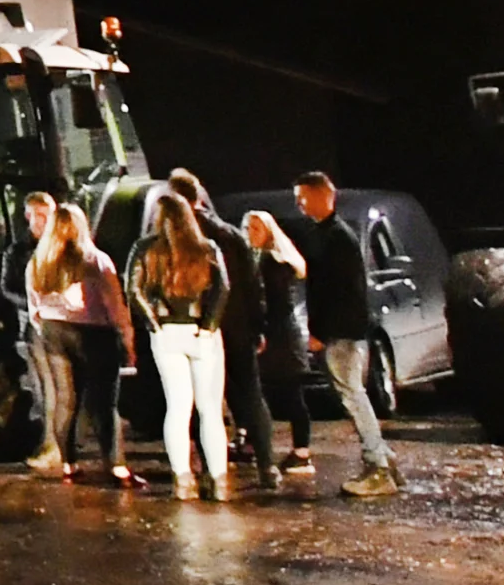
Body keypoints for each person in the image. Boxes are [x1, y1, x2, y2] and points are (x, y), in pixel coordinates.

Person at [290, 173, 399, 498]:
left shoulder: (337, 238)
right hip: (341, 333)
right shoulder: (328, 235)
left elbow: (339, 293)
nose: (299, 205)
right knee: (352, 396)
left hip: (342, 336)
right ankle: (384, 459)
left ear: (322, 195)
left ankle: (378, 466)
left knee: (353, 397)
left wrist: (322, 333)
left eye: (303, 197)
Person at [168, 169, 278, 486]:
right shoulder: (230, 234)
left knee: (202, 400)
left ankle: (209, 468)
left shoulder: (178, 239)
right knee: (251, 395)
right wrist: (258, 326)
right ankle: (267, 464)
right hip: (238, 326)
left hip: (200, 328)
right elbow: (253, 286)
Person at [131, 189, 233, 499]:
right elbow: (223, 288)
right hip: (202, 331)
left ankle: (183, 479)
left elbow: (133, 291)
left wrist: (154, 325)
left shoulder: (145, 248)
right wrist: (209, 326)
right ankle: (218, 480)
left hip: (167, 333)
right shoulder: (206, 248)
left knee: (177, 407)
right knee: (210, 409)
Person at [28, 200, 133, 485]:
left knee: (66, 400)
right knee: (104, 402)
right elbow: (114, 304)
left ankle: (69, 464)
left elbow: (33, 306)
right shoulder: (95, 259)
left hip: (53, 330)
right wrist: (126, 335)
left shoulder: (38, 261)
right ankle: (116, 466)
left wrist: (46, 327)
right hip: (94, 332)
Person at [240, 206, 315, 481]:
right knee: (263, 392)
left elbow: (274, 303)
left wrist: (261, 330)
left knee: (291, 394)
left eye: (256, 228)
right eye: (248, 228)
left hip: (280, 336)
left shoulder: (274, 262)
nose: (250, 233)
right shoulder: (257, 259)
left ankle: (302, 451)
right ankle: (256, 442)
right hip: (272, 334)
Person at [14, 188, 70, 475]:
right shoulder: (20, 252)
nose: (40, 221)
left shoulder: (69, 248)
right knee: (46, 390)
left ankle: (65, 446)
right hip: (39, 326)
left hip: (69, 325)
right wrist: (34, 303)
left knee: (66, 390)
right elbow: (8, 287)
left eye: (45, 215)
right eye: (34, 215)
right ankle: (51, 446)